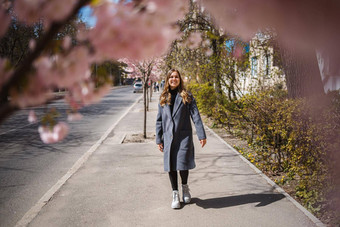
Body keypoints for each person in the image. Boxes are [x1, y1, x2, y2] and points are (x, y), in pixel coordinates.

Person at [156, 69, 207, 209]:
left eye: (176, 77)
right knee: (171, 165)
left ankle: (185, 187)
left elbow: (195, 116)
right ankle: (175, 193)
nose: (174, 79)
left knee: (183, 163)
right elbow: (159, 120)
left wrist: (201, 135)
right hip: (168, 137)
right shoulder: (163, 97)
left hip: (183, 136)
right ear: (167, 80)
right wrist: (158, 139)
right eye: (171, 77)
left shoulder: (186, 96)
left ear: (180, 79)